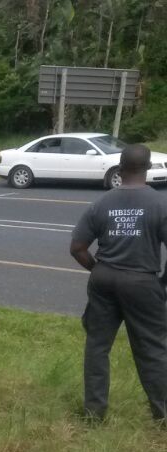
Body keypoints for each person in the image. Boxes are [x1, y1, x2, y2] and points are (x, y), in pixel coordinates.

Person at [70, 143, 167, 423]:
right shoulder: (159, 204)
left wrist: (97, 269)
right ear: (147, 168)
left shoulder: (102, 203)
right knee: (152, 349)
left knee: (98, 346)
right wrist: (162, 284)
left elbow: (77, 247)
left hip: (104, 279)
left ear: (121, 168)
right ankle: (162, 416)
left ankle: (94, 413)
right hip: (142, 281)